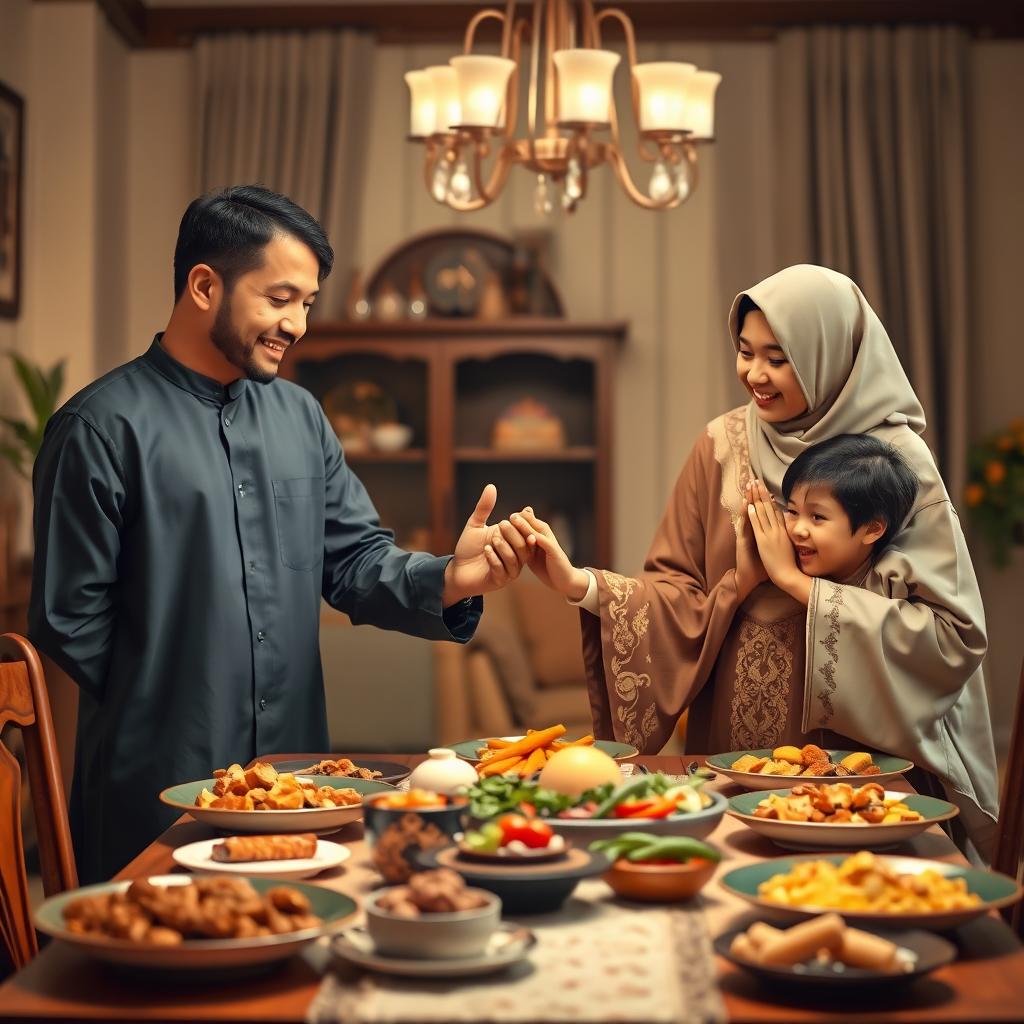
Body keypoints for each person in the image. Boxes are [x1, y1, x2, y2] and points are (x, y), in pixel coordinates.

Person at [29, 185, 531, 882]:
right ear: (204, 285)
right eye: (279, 298)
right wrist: (178, 692)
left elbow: (354, 561)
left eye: (307, 304)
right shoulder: (99, 428)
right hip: (154, 792)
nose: (297, 324)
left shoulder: (301, 416)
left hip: (299, 791)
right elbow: (67, 617)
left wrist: (451, 578)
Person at [510, 264, 998, 865]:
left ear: (827, 355)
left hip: (867, 762)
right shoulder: (720, 445)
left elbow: (951, 635)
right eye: (745, 353)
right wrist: (580, 584)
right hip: (734, 748)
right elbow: (675, 589)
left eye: (778, 358)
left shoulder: (896, 462)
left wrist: (798, 586)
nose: (754, 375)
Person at [744, 433, 920, 605]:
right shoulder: (785, 556)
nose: (798, 530)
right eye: (792, 511)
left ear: (871, 529)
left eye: (817, 517)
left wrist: (788, 576)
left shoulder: (896, 582)